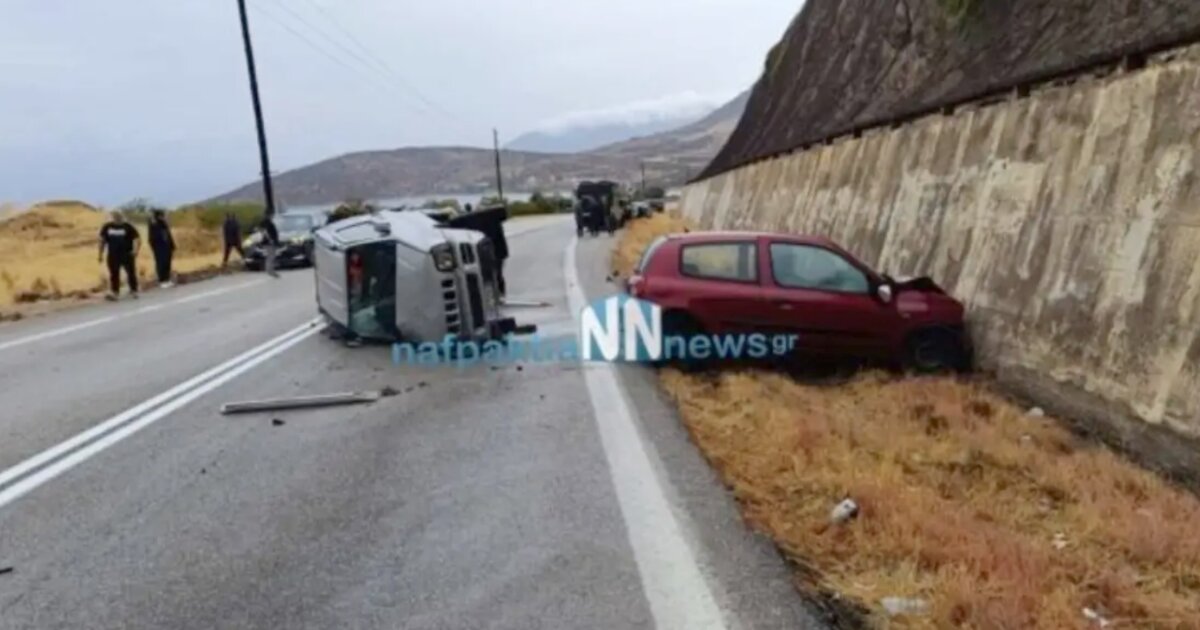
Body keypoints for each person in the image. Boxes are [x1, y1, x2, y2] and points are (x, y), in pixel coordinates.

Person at [98, 210, 141, 300]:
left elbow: (137, 239)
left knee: (131, 272)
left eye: (118, 216)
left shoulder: (128, 226)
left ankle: (134, 290)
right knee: (114, 274)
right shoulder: (107, 227)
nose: (116, 218)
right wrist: (100, 254)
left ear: (122, 217)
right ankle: (115, 292)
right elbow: (102, 241)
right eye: (114, 216)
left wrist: (135, 251)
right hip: (113, 254)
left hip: (127, 254)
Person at [147, 209, 175, 288]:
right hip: (159, 247)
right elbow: (152, 222)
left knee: (167, 262)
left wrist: (172, 246)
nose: (164, 217)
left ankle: (167, 279)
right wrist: (152, 216)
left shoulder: (164, 224)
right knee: (161, 263)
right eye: (162, 216)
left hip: (167, 246)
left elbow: (169, 234)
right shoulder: (154, 224)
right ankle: (162, 280)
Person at [260, 214, 280, 278]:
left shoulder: (267, 223)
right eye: (271, 216)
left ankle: (271, 270)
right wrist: (270, 239)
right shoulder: (268, 223)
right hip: (270, 242)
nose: (272, 217)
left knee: (271, 256)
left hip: (269, 242)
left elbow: (263, 231)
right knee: (271, 256)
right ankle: (269, 270)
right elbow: (265, 232)